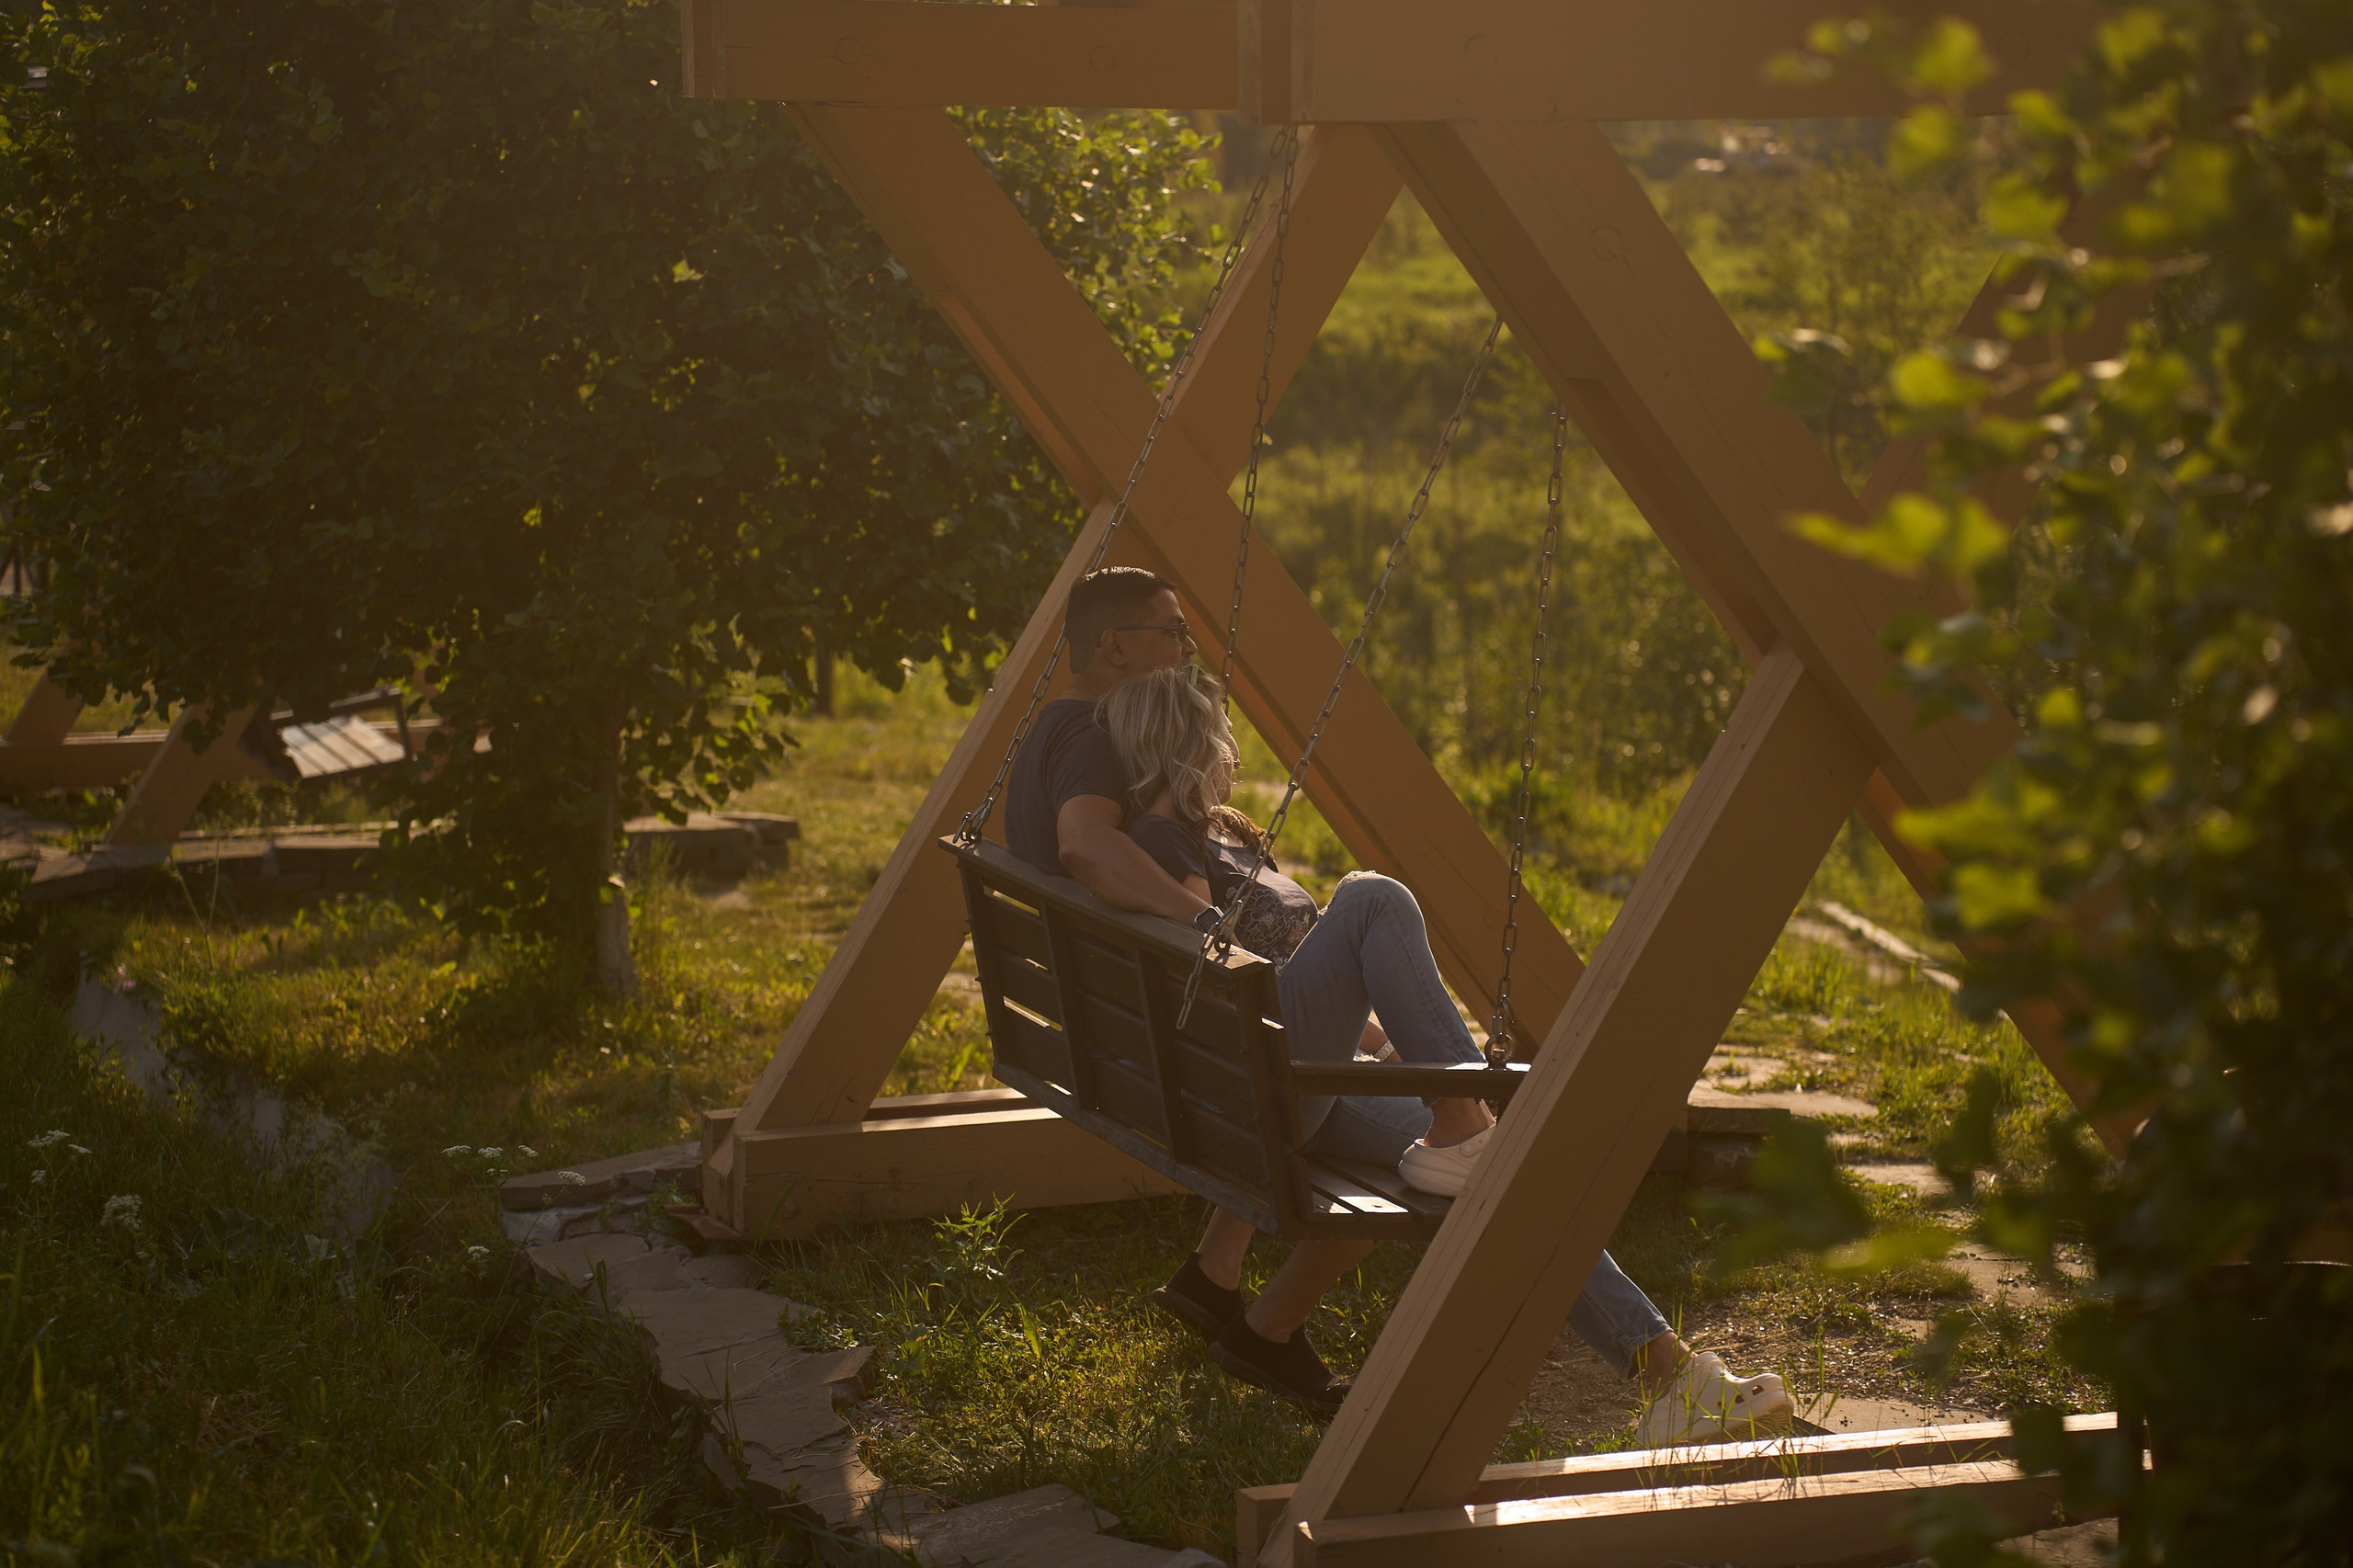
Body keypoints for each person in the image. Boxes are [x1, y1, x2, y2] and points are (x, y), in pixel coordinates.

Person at [1005, 569, 1790, 1441]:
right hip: (1226, 1068)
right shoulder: (1091, 740)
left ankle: (1669, 1378)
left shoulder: (1054, 738)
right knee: (1374, 900)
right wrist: (1212, 937)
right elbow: (1085, 848)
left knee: (1502, 1175)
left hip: (1202, 1070)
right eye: (1170, 633)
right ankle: (1462, 1120)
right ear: (1113, 644)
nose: (1188, 650)